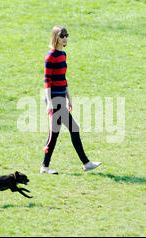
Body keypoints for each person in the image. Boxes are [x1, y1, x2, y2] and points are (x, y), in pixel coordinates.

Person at [40, 25, 102, 175]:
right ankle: (85, 163)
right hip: (54, 99)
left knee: (56, 133)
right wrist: (49, 102)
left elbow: (63, 78)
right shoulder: (50, 56)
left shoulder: (63, 55)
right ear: (56, 38)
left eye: (67, 35)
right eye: (62, 36)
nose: (65, 38)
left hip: (61, 97)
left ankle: (45, 166)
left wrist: (69, 98)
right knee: (70, 130)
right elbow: (47, 81)